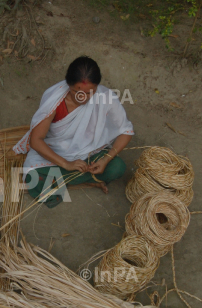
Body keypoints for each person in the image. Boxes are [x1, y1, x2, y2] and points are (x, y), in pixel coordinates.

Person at [13, 56, 134, 208]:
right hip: (55, 153)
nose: (83, 98)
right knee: (33, 179)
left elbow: (126, 131)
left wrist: (106, 159)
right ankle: (87, 180)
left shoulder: (105, 98)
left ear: (97, 87)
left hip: (88, 152)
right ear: (68, 85)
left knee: (117, 167)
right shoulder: (55, 101)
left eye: (90, 93)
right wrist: (66, 164)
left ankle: (65, 180)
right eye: (77, 92)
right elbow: (36, 140)